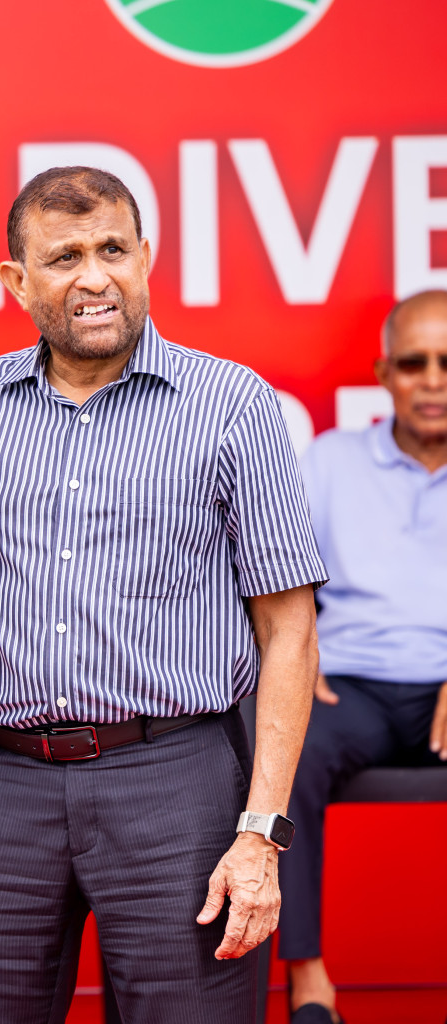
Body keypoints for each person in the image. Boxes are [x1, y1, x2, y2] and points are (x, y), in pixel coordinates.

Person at [0, 165, 327, 1023]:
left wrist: (259, 833)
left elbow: (288, 629)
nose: (95, 277)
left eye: (113, 249)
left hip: (178, 781)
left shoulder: (231, 403)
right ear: (18, 282)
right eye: (64, 257)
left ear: (147, 258)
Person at [281, 290, 447, 1024]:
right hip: (353, 686)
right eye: (415, 363)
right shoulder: (331, 460)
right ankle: (308, 980)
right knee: (282, 747)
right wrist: (294, 650)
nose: (435, 380)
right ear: (384, 373)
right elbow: (275, 580)